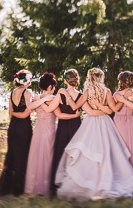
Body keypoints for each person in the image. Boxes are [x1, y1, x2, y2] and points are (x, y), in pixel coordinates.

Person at [55, 67, 133, 199]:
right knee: (104, 153)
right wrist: (103, 109)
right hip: (105, 123)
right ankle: (103, 182)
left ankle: (94, 184)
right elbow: (112, 110)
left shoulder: (87, 92)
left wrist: (67, 95)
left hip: (91, 123)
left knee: (91, 153)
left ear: (90, 78)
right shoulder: (107, 91)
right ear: (101, 77)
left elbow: (76, 107)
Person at [0, 70, 53, 196]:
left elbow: (10, 113)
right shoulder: (27, 92)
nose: (30, 82)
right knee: (22, 156)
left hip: (12, 126)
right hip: (24, 127)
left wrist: (14, 115)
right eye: (30, 80)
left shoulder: (12, 92)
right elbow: (27, 111)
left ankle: (6, 186)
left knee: (12, 156)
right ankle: (18, 188)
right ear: (27, 81)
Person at [25, 72, 70, 196]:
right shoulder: (52, 98)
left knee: (38, 157)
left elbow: (31, 108)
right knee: (48, 158)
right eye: (54, 86)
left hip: (38, 130)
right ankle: (46, 185)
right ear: (50, 87)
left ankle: (37, 185)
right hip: (49, 130)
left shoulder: (36, 97)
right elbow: (58, 114)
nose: (54, 89)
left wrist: (41, 99)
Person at [50, 68, 82, 196]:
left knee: (60, 153)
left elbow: (52, 109)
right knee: (75, 154)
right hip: (76, 126)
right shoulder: (80, 95)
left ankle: (57, 185)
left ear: (65, 80)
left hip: (63, 127)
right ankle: (76, 184)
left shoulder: (61, 93)